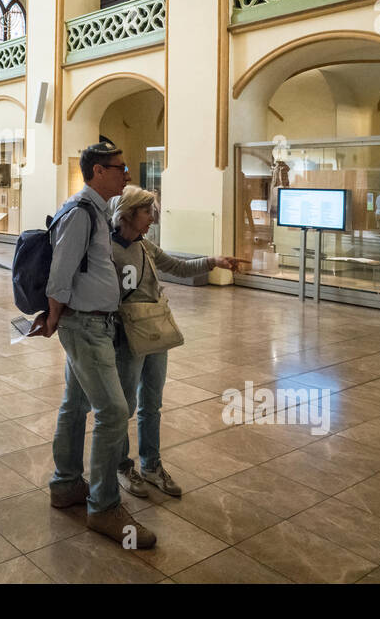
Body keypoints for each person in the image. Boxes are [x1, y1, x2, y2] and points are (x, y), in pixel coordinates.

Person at [31, 143, 156, 549]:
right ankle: (103, 506)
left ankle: (66, 484)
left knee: (76, 404)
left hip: (91, 322)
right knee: (114, 410)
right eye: (121, 168)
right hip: (84, 325)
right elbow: (60, 271)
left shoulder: (95, 211)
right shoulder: (82, 212)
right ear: (99, 171)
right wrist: (53, 315)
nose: (127, 175)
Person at [110, 186, 246, 499]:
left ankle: (151, 464)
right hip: (128, 335)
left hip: (156, 329)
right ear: (129, 214)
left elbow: (178, 267)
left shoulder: (146, 247)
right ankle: (121, 465)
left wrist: (213, 261)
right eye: (147, 212)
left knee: (152, 402)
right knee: (124, 405)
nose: (152, 219)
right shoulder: (108, 249)